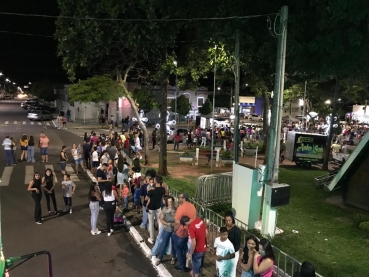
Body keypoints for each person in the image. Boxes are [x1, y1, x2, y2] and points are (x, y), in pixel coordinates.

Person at [172, 192, 196, 272]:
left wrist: (174, 231)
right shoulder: (193, 207)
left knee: (178, 249)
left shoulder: (181, 208)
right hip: (189, 232)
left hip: (180, 232)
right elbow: (194, 219)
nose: (178, 199)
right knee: (186, 249)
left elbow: (177, 222)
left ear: (184, 198)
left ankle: (181, 266)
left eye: (180, 197)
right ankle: (189, 264)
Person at [155, 196, 177, 265]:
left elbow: (179, 219)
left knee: (174, 245)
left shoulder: (176, 209)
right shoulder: (164, 209)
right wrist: (167, 223)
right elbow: (161, 219)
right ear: (167, 203)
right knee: (164, 244)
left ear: (173, 202)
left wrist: (175, 224)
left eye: (171, 202)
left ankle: (173, 258)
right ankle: (159, 258)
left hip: (174, 230)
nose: (170, 203)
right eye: (168, 202)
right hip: (167, 229)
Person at [146, 175, 166, 244]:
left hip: (151, 208)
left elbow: (146, 198)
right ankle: (160, 237)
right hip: (159, 207)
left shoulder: (152, 190)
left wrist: (149, 191)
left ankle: (152, 238)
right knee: (160, 222)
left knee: (151, 223)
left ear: (155, 181)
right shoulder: (163, 189)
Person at [224, 211, 241, 277]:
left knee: (232, 271)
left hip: (233, 253)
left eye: (229, 220)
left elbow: (237, 245)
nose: (228, 222)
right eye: (226, 220)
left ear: (232, 220)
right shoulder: (225, 228)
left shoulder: (236, 230)